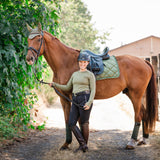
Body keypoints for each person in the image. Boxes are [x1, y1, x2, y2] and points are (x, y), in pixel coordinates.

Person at [49, 52, 96, 152]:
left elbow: (93, 90)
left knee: (84, 123)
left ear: (87, 63)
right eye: (80, 62)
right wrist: (54, 84)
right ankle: (83, 145)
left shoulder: (90, 75)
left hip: (85, 98)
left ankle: (83, 146)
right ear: (78, 63)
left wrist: (89, 102)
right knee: (71, 123)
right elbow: (67, 87)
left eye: (84, 62)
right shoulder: (75, 74)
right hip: (75, 99)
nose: (82, 64)